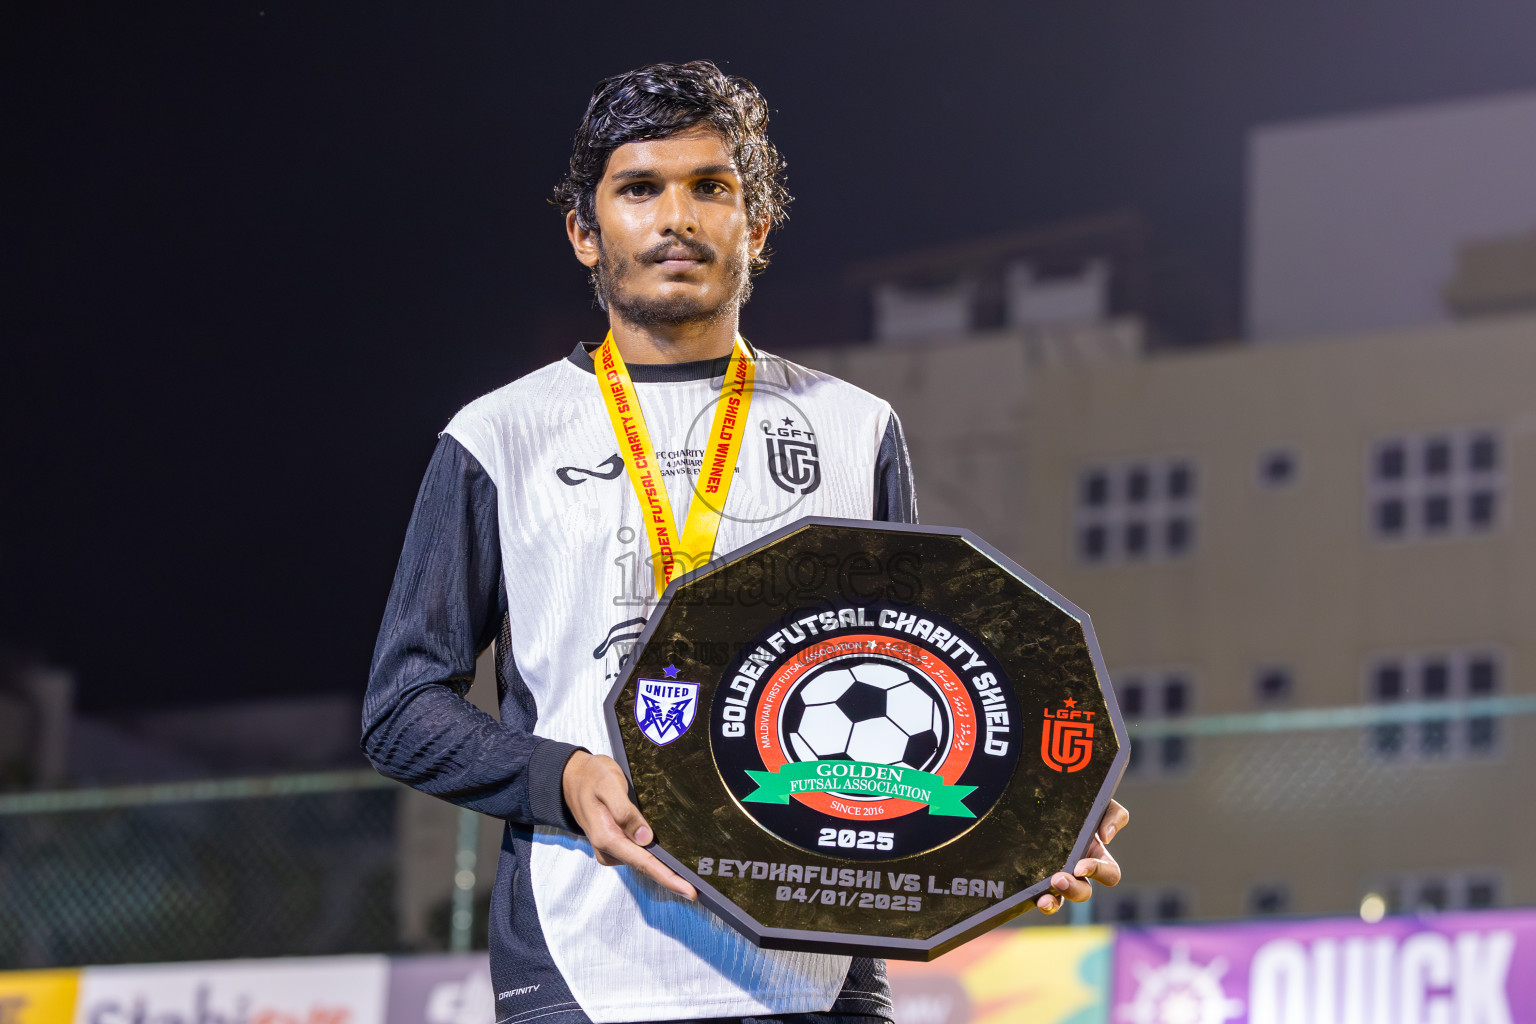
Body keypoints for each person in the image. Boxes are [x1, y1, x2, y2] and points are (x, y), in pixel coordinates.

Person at [363, 59, 1129, 1024]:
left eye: (710, 188)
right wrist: (558, 776)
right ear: (584, 234)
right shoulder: (498, 436)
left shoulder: (855, 427)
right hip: (585, 961)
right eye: (639, 189)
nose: (675, 217)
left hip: (817, 966)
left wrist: (1037, 819)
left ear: (756, 228)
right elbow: (402, 709)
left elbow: (930, 671)